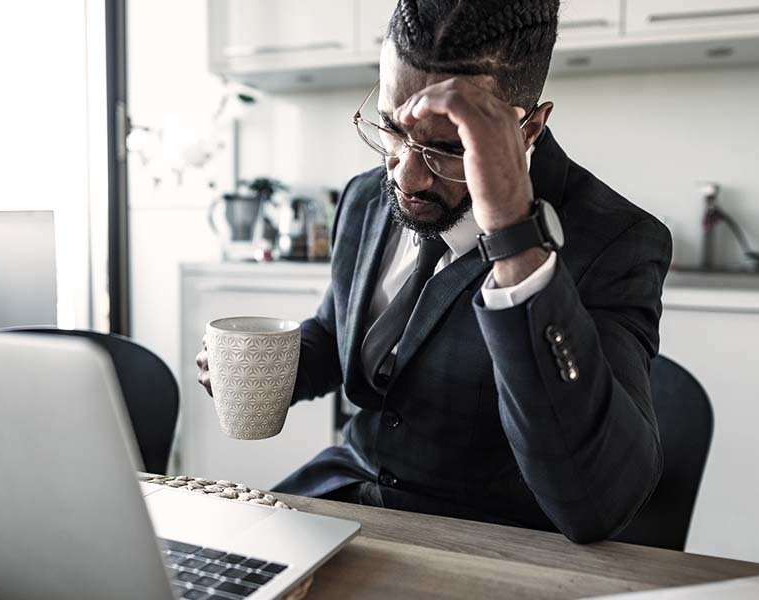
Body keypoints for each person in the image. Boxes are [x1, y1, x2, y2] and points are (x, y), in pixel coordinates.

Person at [197, 0, 672, 544]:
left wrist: (514, 235)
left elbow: (599, 503)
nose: (408, 176)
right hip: (342, 500)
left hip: (486, 543)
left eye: (449, 148)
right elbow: (336, 334)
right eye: (392, 129)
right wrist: (263, 370)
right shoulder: (364, 200)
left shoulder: (618, 242)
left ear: (530, 128)